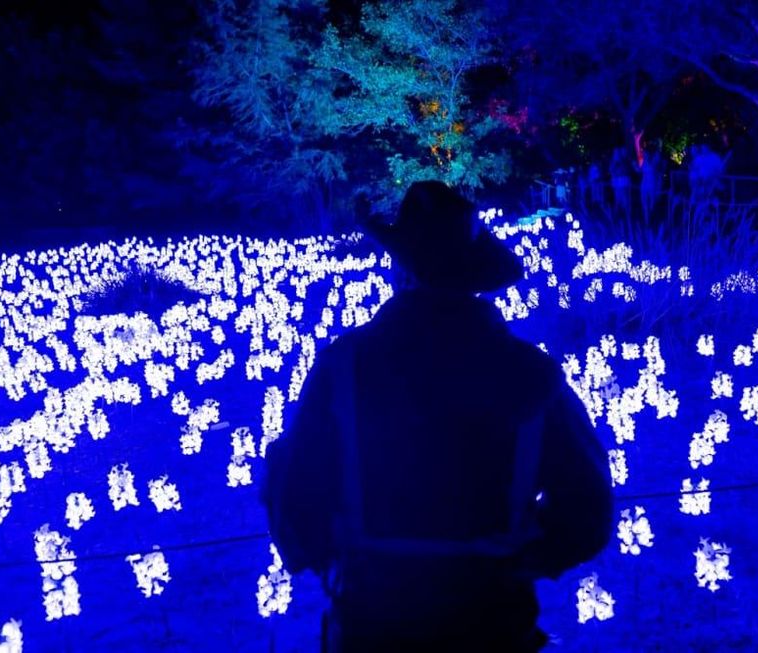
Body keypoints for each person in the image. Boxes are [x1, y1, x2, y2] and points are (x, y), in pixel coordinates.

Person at [261, 181, 613, 653]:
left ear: (400, 269)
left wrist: (333, 556)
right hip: (492, 621)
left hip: (372, 620)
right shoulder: (531, 371)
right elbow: (588, 511)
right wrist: (522, 557)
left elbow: (295, 497)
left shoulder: (341, 366)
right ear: (476, 280)